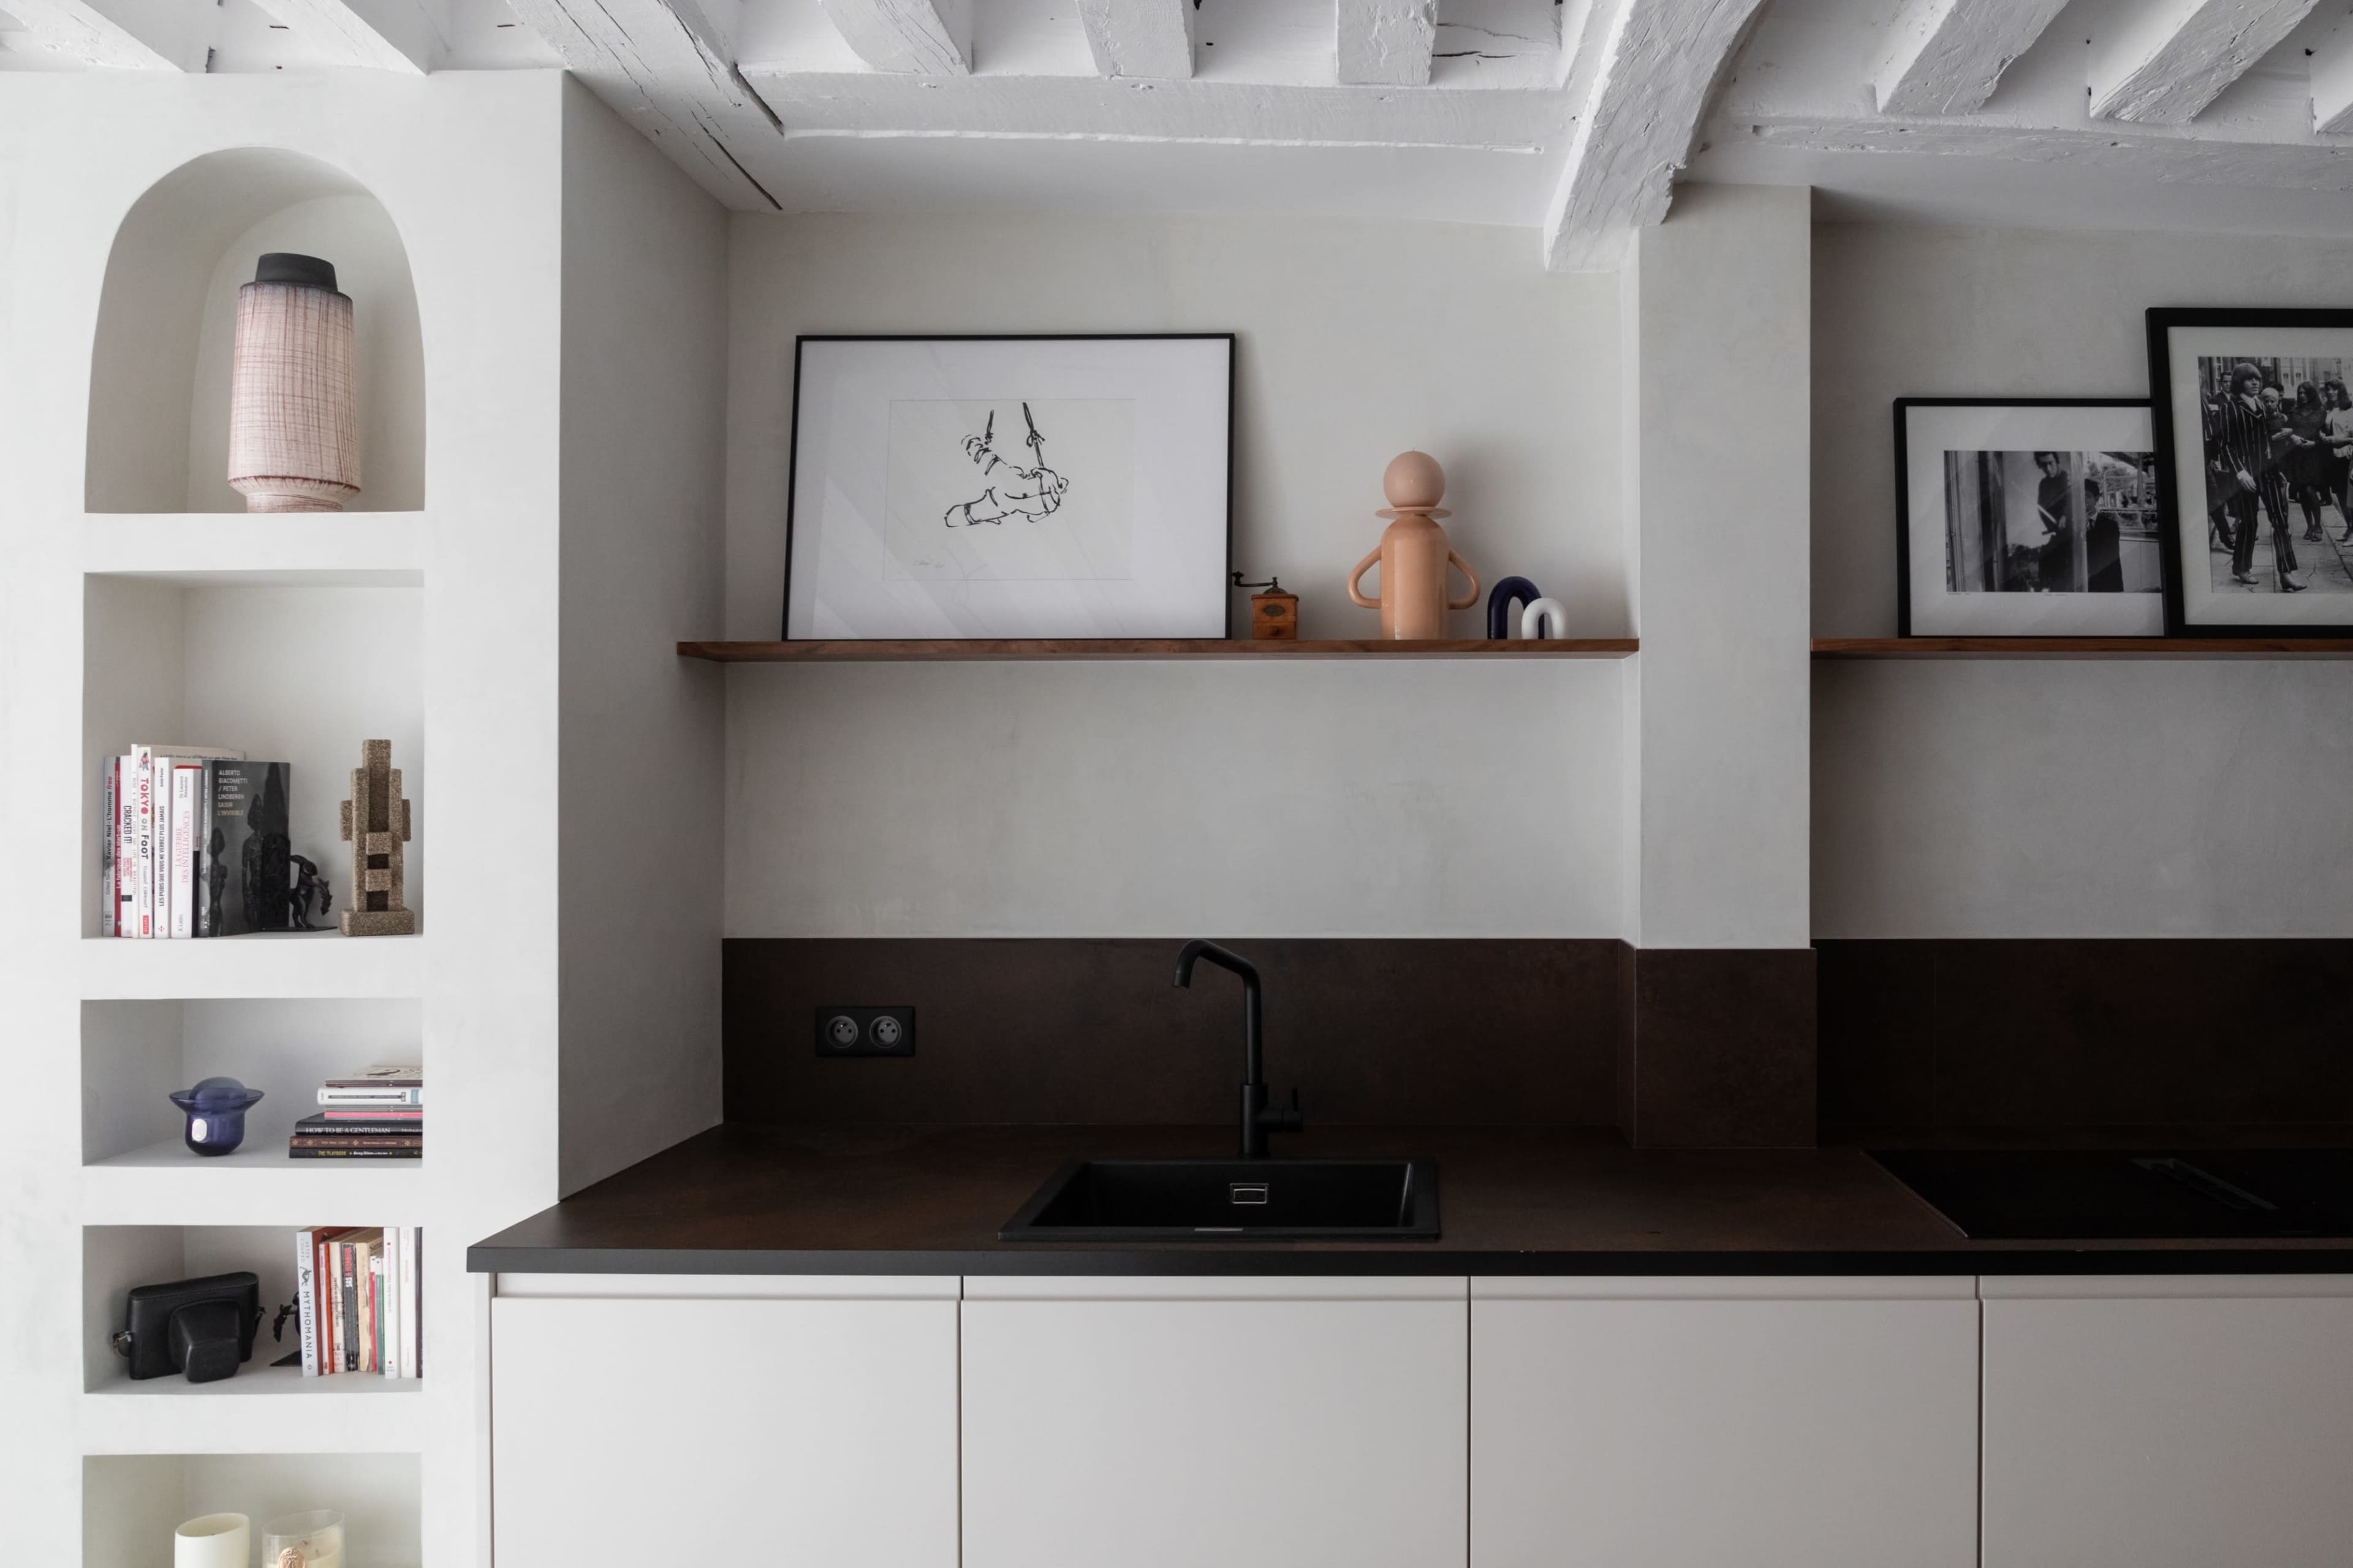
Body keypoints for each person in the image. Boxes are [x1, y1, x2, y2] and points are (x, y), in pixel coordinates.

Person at [2205, 364, 2302, 591]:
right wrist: (2240, 473)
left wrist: (2279, 453)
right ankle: (2241, 567)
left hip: (2266, 472)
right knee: (2249, 524)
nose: (2256, 383)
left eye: (2257, 379)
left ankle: (2286, 573)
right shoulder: (2230, 409)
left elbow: (2266, 439)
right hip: (2245, 475)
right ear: (2240, 382)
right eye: (2250, 380)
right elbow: (2225, 445)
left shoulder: (2260, 404)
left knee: (2280, 519)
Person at [2287, 381, 2332, 543]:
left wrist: (2313, 441)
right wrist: (2293, 437)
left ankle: (2318, 526)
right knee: (2301, 493)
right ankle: (2310, 525)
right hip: (2297, 455)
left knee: (2310, 490)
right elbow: (2288, 430)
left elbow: (2321, 433)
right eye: (2300, 393)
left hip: (2314, 454)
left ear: (2311, 394)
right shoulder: (2295, 411)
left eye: (2305, 393)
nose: (2302, 396)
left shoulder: (2320, 412)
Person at [2032, 451, 2077, 593]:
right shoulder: (2044, 484)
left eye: (2051, 463)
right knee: (2044, 560)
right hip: (2058, 533)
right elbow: (2041, 508)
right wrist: (2052, 526)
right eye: (2044, 465)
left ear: (2057, 461)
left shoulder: (2068, 477)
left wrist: (2065, 516)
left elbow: (2072, 500)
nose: (2048, 469)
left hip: (2073, 534)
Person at [2327, 380, 2353, 542]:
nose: (2331, 392)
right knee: (2340, 495)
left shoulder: (2349, 411)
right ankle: (2349, 526)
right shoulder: (2329, 410)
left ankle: (2352, 531)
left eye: (2335, 389)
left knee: (2350, 497)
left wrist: (2339, 440)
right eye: (2329, 389)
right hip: (2333, 456)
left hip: (2346, 456)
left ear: (2341, 391)